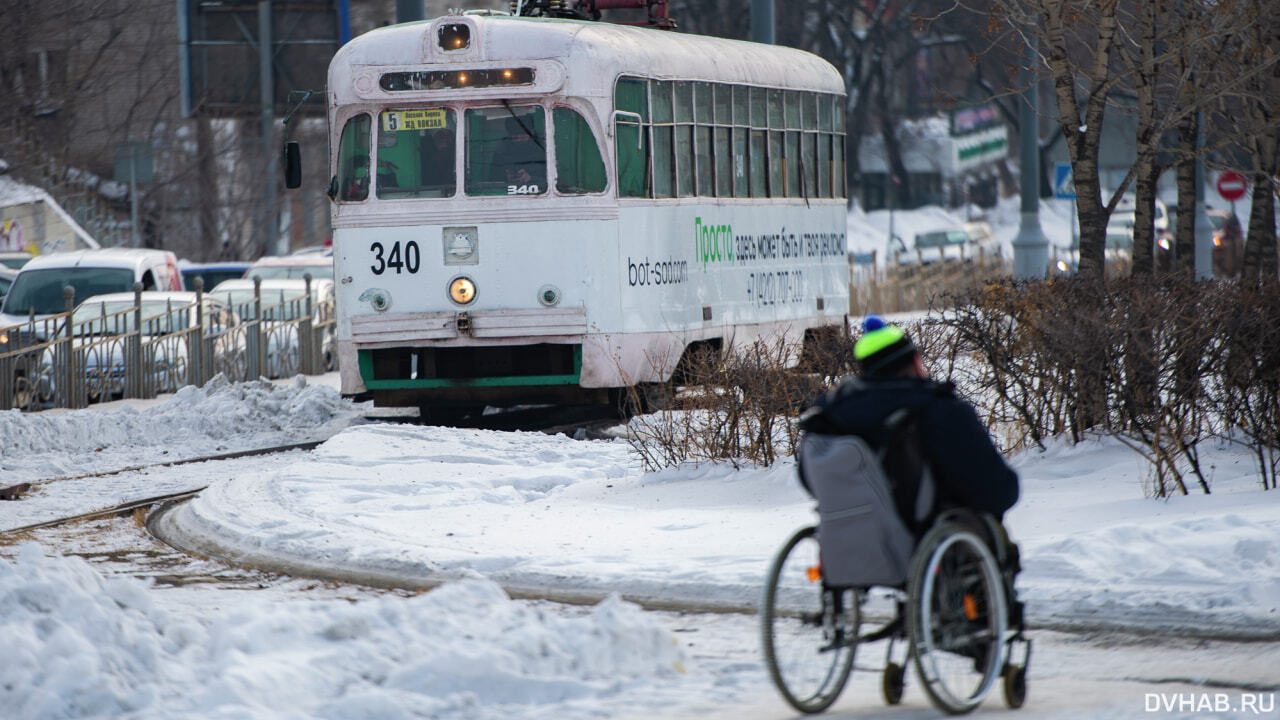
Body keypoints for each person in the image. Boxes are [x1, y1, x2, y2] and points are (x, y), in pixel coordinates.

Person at [804, 316, 1019, 526]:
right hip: (918, 540)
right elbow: (998, 492)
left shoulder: (831, 415)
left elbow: (809, 480)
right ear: (916, 363)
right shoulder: (938, 409)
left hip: (847, 540)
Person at [495, 115, 546, 190]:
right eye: (515, 136)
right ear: (509, 134)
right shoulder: (502, 151)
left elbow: (556, 181)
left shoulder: (544, 150)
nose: (519, 139)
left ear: (531, 132)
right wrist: (506, 178)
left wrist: (531, 178)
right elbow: (492, 178)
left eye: (522, 135)